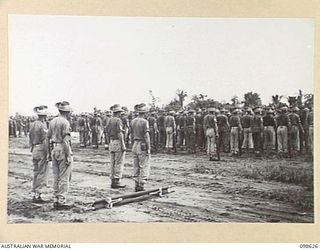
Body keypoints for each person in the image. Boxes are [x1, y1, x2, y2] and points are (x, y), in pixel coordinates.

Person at [47, 101, 73, 209]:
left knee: (56, 176)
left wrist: (49, 153)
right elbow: (66, 141)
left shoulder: (52, 121)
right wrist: (68, 155)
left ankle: (56, 199)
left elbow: (47, 138)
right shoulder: (65, 122)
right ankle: (62, 200)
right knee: (64, 176)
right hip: (63, 148)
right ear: (67, 112)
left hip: (54, 148)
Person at [29, 105, 50, 203]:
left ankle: (34, 193)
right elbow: (45, 140)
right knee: (42, 172)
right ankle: (38, 194)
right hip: (41, 148)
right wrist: (48, 153)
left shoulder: (32, 124)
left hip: (34, 148)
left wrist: (32, 148)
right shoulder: (42, 125)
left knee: (36, 171)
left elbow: (30, 137)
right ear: (44, 116)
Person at [131, 103, 151, 192]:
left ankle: (136, 183)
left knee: (136, 165)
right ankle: (141, 184)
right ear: (145, 113)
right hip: (142, 144)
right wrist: (149, 147)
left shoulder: (133, 121)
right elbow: (146, 135)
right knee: (144, 165)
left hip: (135, 144)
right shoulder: (144, 122)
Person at [106, 104, 126, 189]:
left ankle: (112, 179)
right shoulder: (118, 120)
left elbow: (106, 132)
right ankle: (117, 180)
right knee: (119, 162)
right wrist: (123, 144)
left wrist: (108, 143)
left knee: (112, 162)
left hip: (111, 141)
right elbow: (119, 133)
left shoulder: (109, 120)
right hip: (118, 141)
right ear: (118, 112)